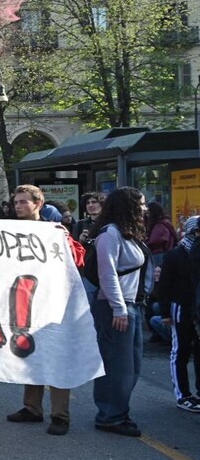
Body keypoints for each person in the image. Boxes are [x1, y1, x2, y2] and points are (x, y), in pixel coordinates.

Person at [5, 184, 85, 436]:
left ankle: (60, 415)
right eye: (16, 202)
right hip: (25, 303)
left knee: (57, 357)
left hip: (54, 304)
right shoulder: (9, 230)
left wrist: (65, 240)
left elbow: (79, 259)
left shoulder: (54, 231)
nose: (18, 206)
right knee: (31, 356)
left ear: (38, 204)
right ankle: (32, 407)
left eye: (23, 202)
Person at [89, 186, 148, 437]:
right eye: (141, 204)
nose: (144, 208)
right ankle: (110, 416)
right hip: (115, 307)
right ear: (128, 206)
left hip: (129, 305)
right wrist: (119, 309)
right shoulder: (110, 234)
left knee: (130, 365)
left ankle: (117, 412)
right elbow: (107, 274)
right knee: (116, 365)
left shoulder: (126, 232)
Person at [154, 216, 200, 412]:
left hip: (196, 307)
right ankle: (183, 395)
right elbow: (164, 285)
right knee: (180, 349)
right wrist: (165, 312)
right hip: (180, 306)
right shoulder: (175, 255)